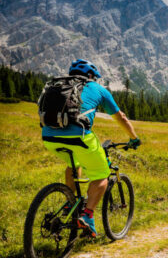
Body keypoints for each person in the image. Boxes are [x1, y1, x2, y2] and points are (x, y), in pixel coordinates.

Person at [41, 59, 141, 238]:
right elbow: (121, 118)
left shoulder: (58, 85)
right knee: (102, 174)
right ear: (91, 76)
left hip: (49, 136)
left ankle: (69, 203)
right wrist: (134, 138)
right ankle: (87, 216)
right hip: (79, 136)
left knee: (74, 163)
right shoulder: (98, 88)